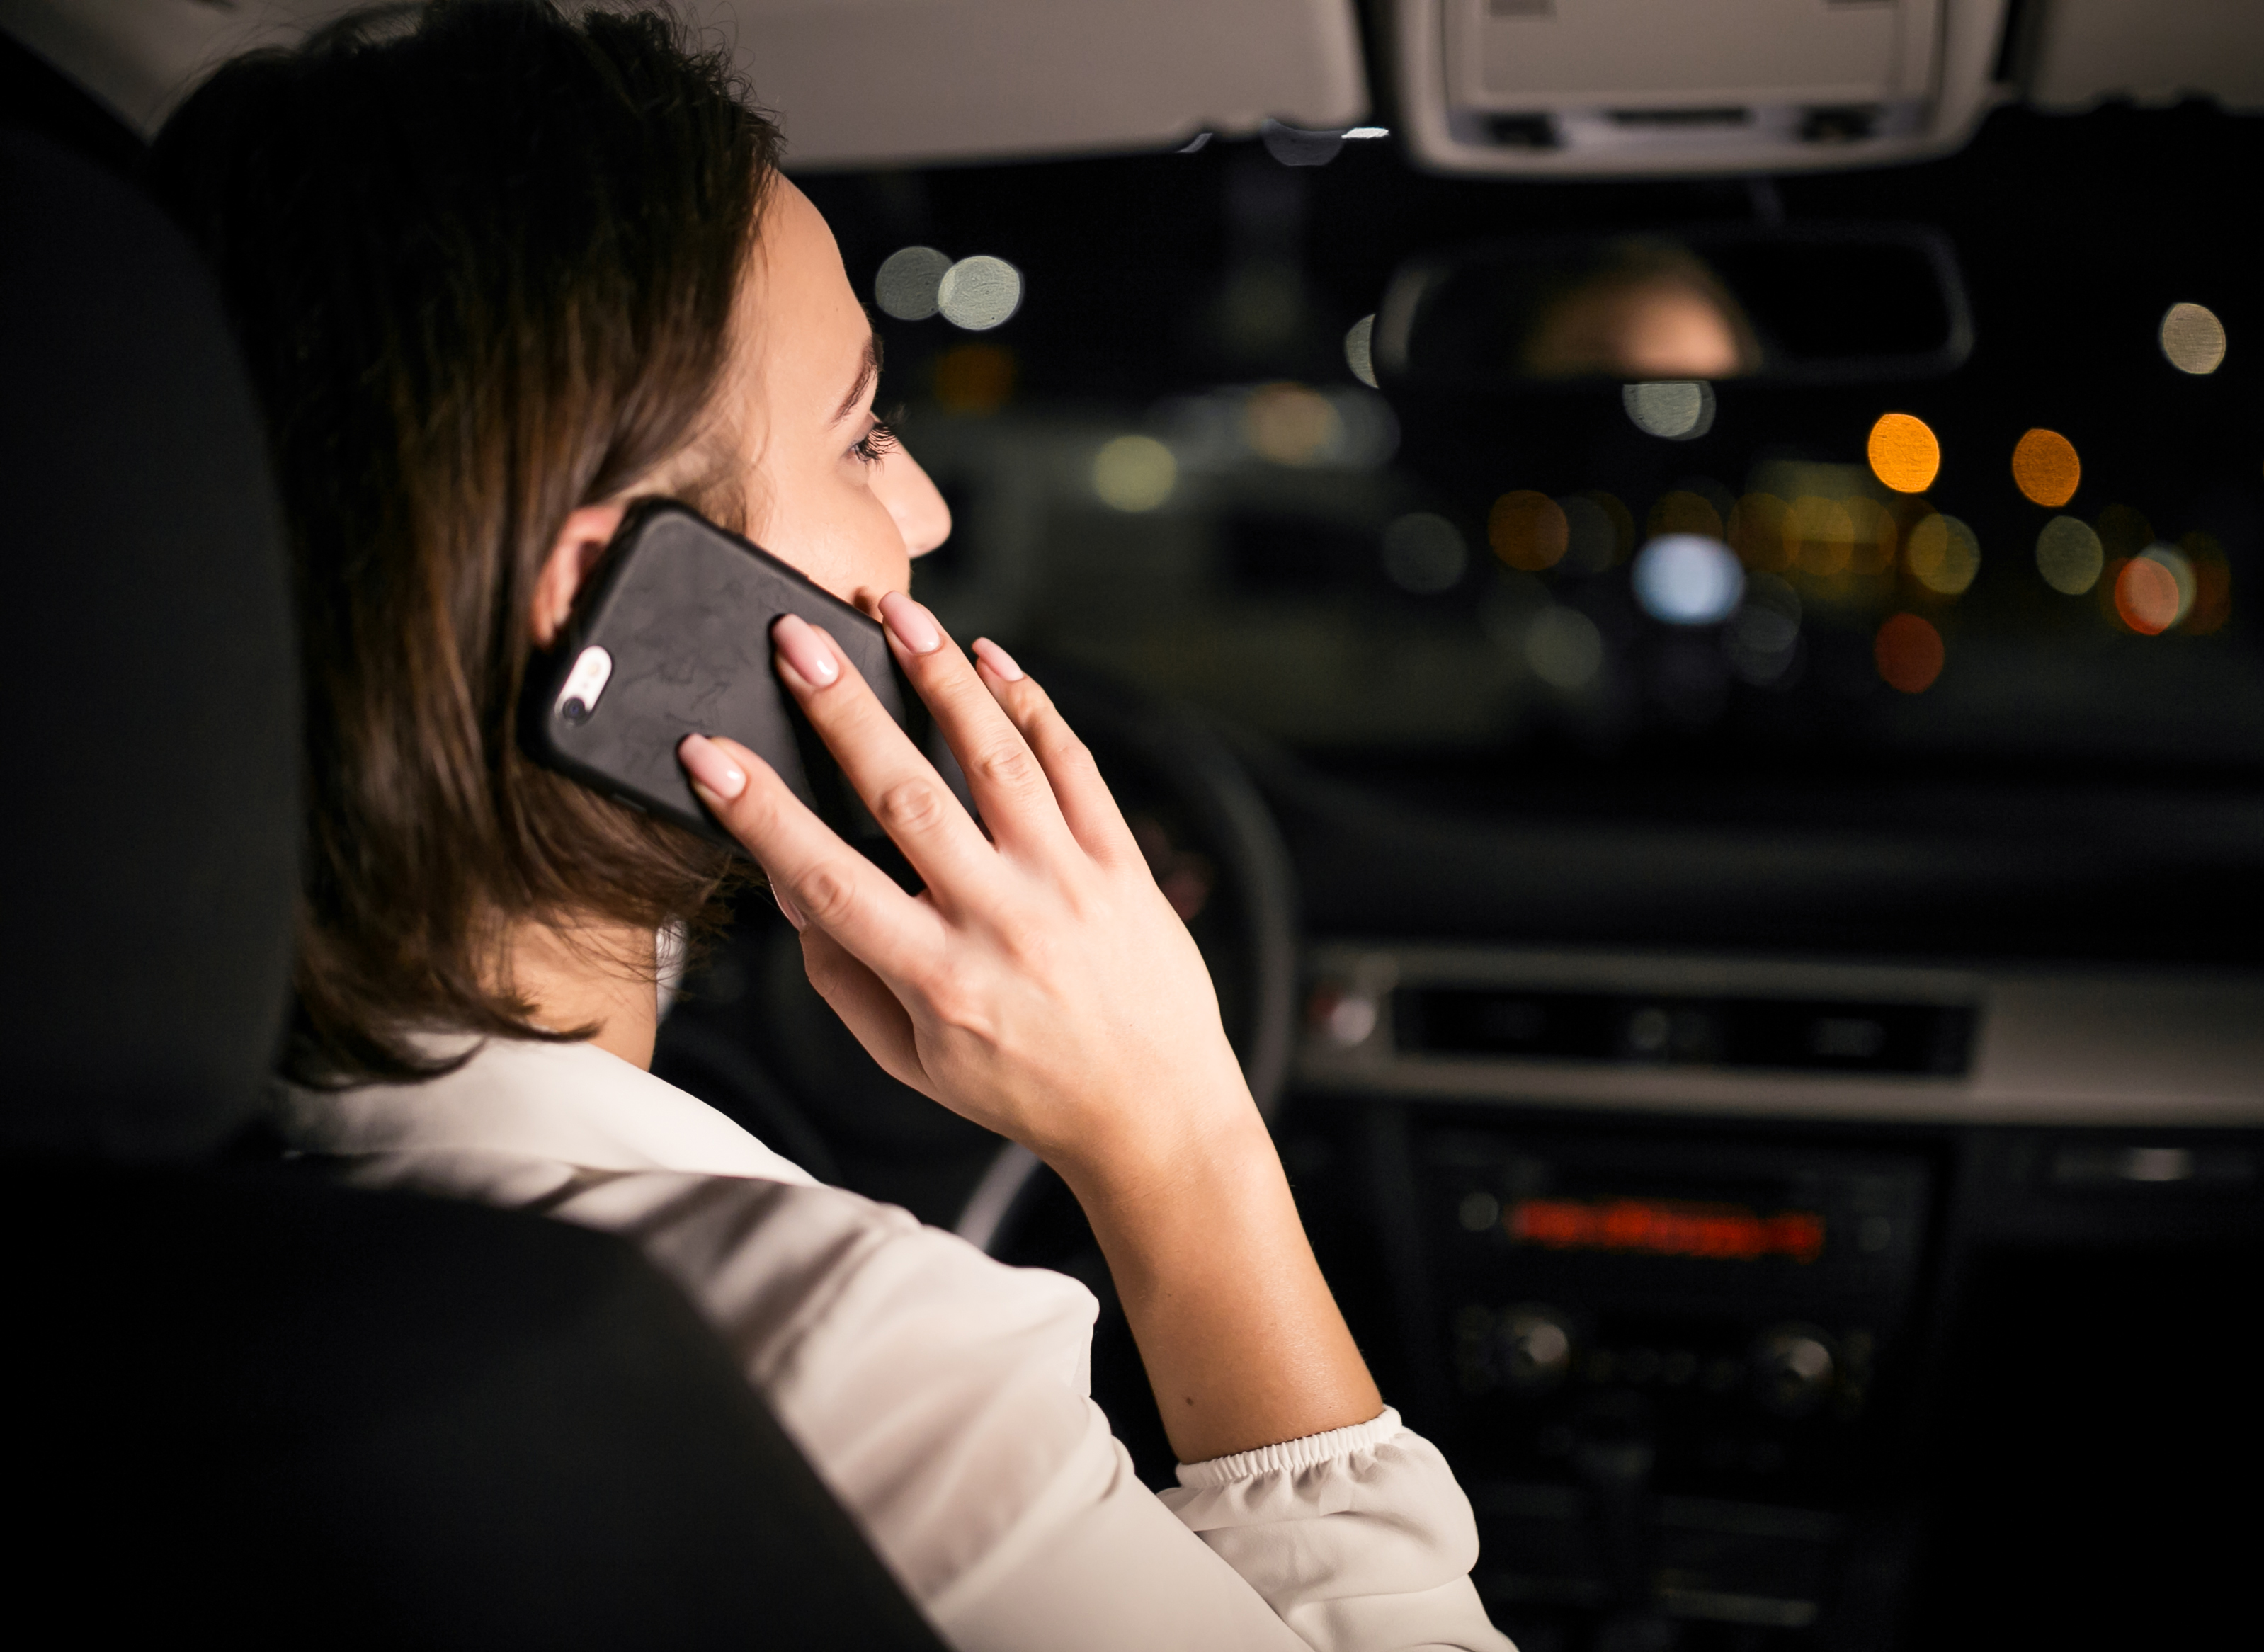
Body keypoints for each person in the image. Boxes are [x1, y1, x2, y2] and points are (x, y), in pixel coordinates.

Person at [152, 5, 1515, 1649]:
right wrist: (1174, 1132)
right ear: (606, 611)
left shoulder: (170, 1205)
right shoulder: (837, 1360)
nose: (926, 509)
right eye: (862, 432)